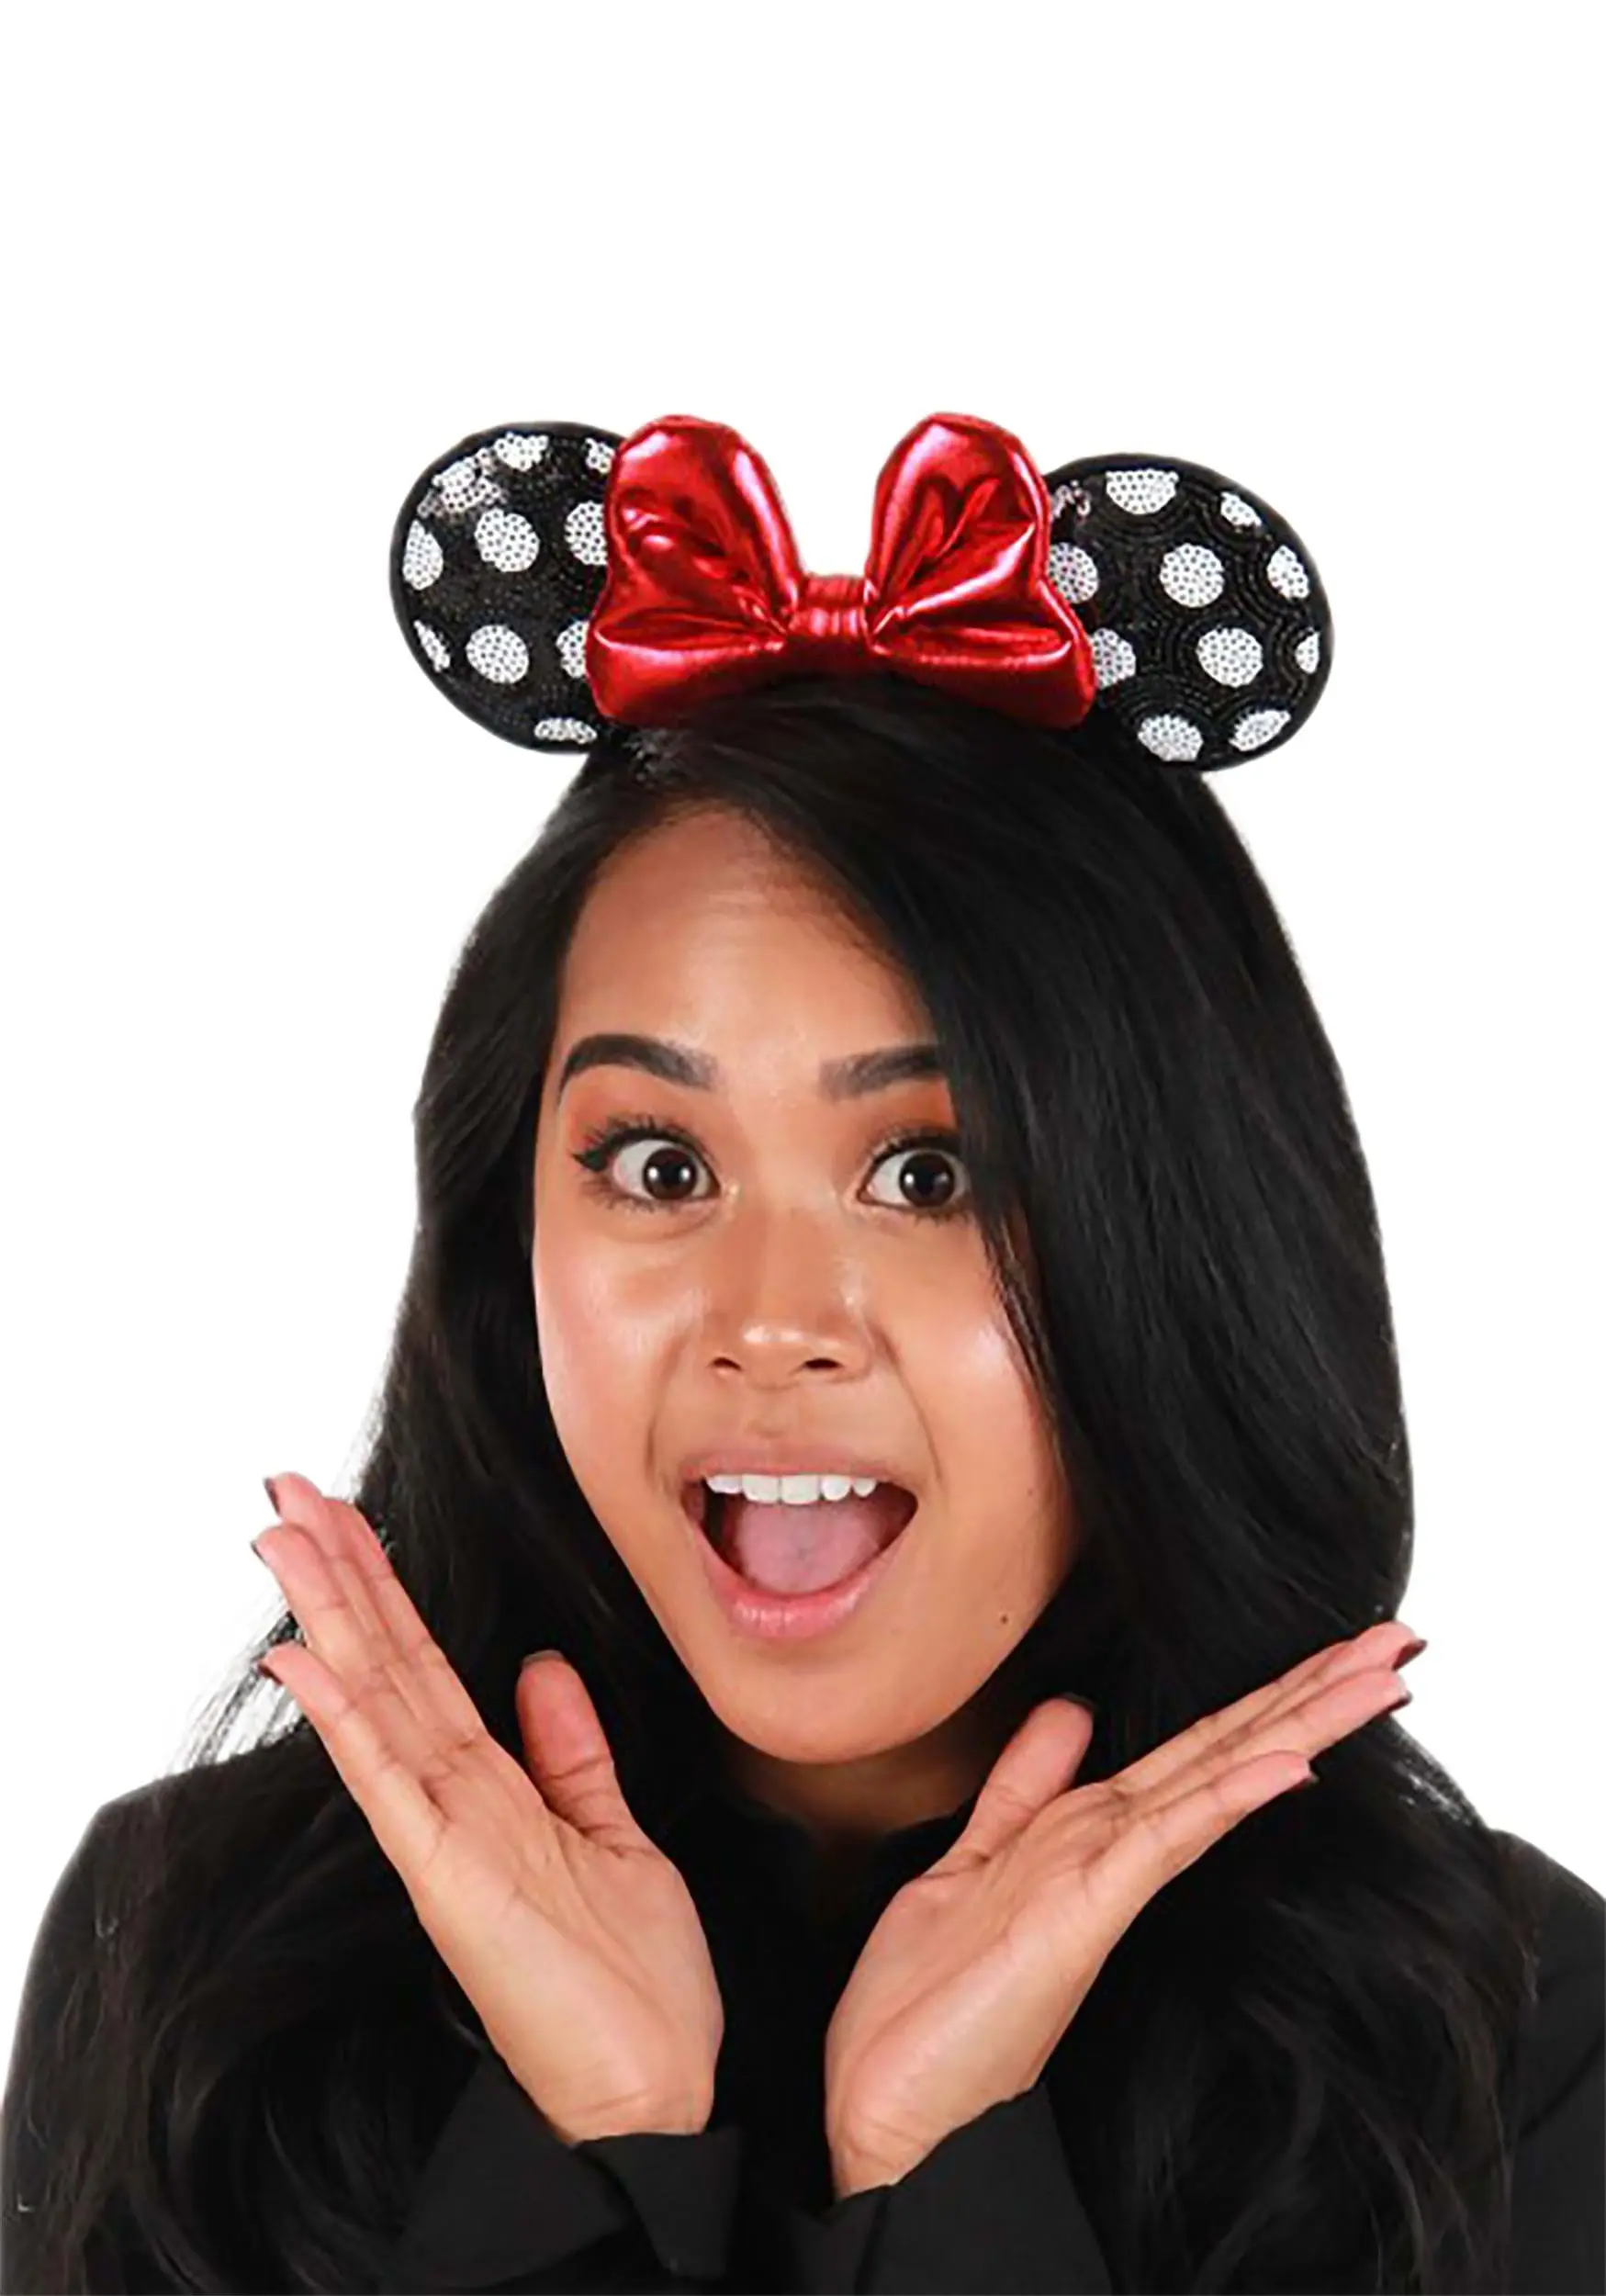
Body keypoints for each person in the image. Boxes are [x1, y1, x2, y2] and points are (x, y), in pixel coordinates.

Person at [3, 415, 1600, 2294]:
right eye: (657, 1165)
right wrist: (601, 2137)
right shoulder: (188, 1965)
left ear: (1177, 1241)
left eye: (929, 1172)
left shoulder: (1506, 2043)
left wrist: (951, 2178)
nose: (771, 1318)